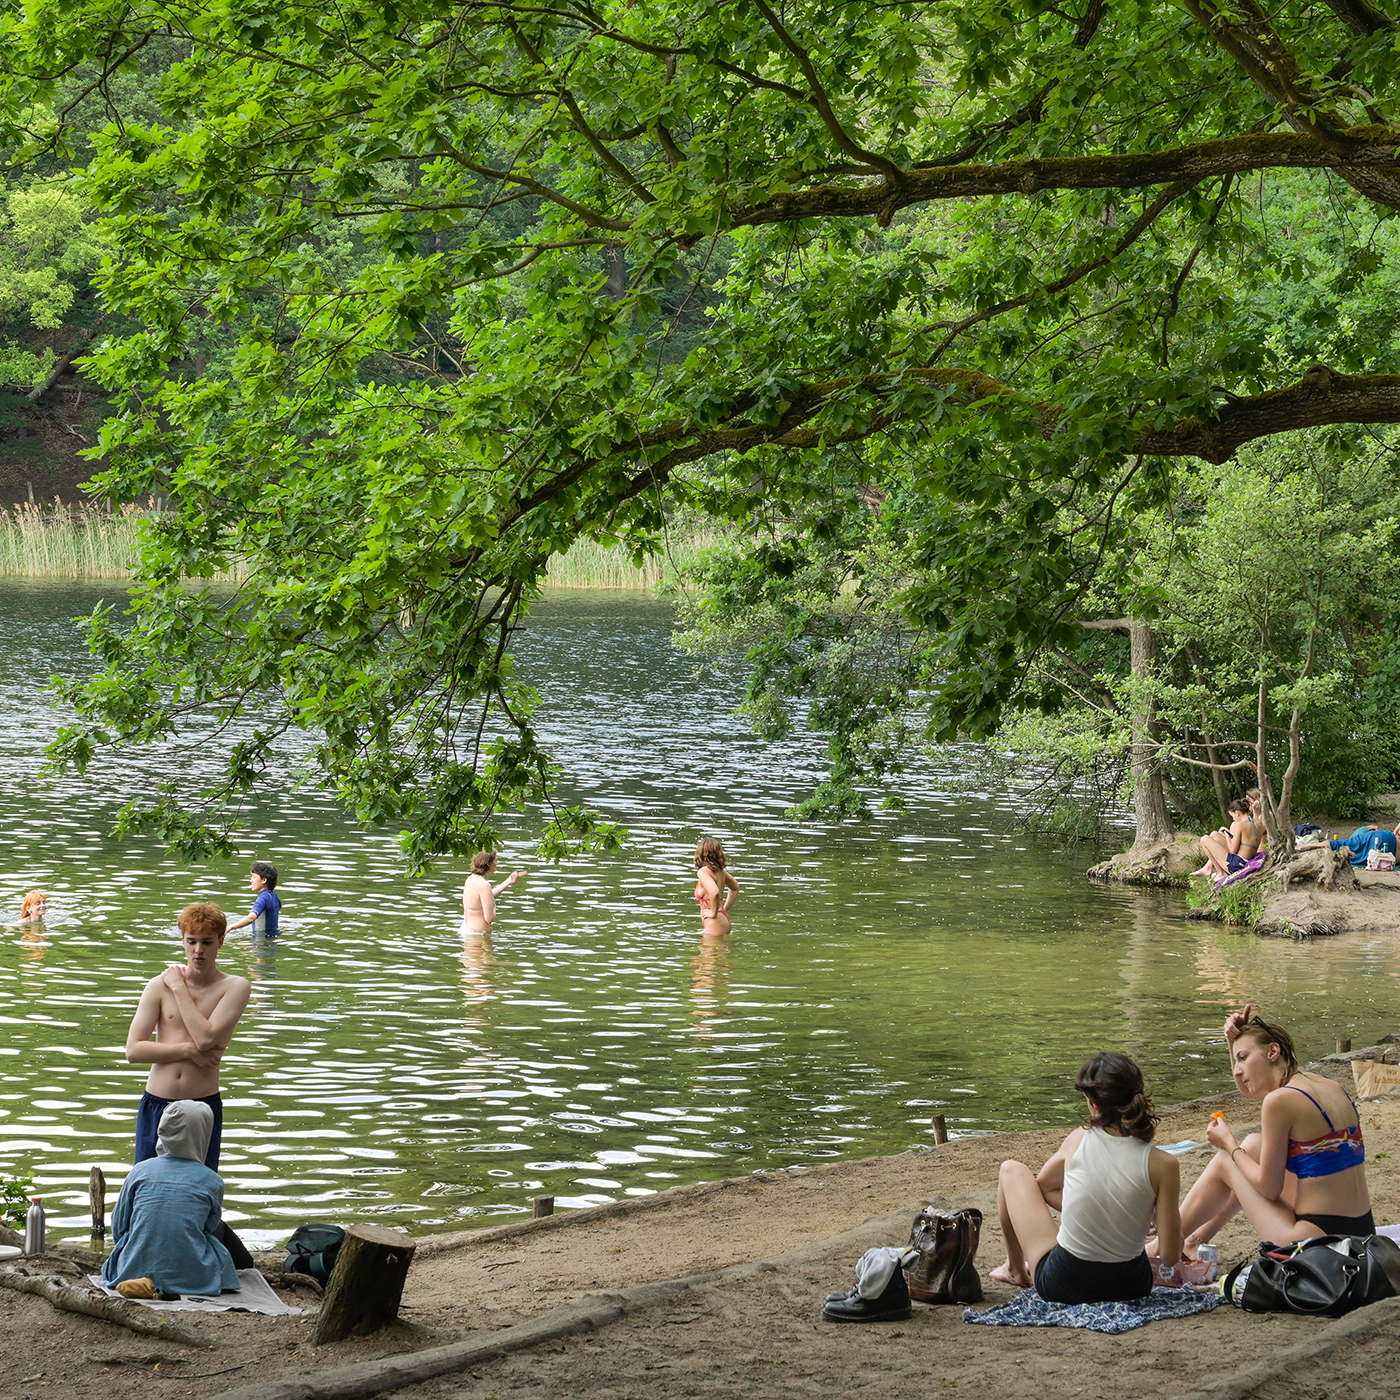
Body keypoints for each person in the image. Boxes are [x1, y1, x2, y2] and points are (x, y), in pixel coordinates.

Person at [1160, 1007, 1373, 1260]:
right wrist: (1232, 1043)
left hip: (1317, 1243)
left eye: (1243, 1057)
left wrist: (1228, 1144)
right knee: (1252, 1144)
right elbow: (1246, 1090)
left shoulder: (1279, 1101)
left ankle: (1161, 1246)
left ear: (1273, 1051)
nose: (1237, 1070)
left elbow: (1269, 1189)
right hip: (1362, 1233)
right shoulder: (1328, 1084)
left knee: (1228, 1161)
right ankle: (1193, 1242)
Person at [992, 1052, 1181, 1304]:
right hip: (1133, 1286)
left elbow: (1044, 1188)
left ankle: (1015, 1269)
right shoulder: (1165, 1164)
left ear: (1095, 1105)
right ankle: (1014, 1268)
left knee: (1010, 1169)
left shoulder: (1079, 1139)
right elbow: (1169, 1255)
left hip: (1064, 1284)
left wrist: (1093, 1211)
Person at [124, 904, 252, 1170]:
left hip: (201, 1105)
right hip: (156, 1101)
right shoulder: (158, 985)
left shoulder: (235, 986)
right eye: (191, 942)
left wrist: (179, 986)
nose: (198, 951)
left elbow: (205, 1039)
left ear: (221, 941)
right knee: (145, 1184)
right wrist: (188, 1051)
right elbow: (134, 1051)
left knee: (198, 1189)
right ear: (182, 941)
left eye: (207, 942)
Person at [101, 1099, 247, 1298]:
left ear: (163, 1130)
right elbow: (208, 1227)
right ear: (203, 1133)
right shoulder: (213, 1181)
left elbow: (119, 1225)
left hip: (131, 1270)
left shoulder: (139, 1171)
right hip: (195, 1276)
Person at [1193, 799, 1262, 881]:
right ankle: (1209, 868)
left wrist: (1227, 836)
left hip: (1237, 865)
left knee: (1204, 839)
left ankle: (1220, 872)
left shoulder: (1240, 825)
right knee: (1214, 834)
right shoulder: (1260, 822)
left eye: (1232, 816)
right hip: (1247, 859)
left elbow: (1232, 850)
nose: (1233, 819)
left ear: (1237, 813)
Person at [461, 851, 526, 934]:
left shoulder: (470, 879)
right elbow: (489, 918)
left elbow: (486, 897)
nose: (497, 863)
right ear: (488, 863)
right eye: (495, 860)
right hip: (479, 936)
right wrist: (494, 907)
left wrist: (509, 881)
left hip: (467, 930)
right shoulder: (484, 885)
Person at [694, 838, 740, 935]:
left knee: (709, 949)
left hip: (714, 922)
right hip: (722, 918)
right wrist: (725, 909)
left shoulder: (703, 871)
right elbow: (735, 888)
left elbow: (714, 892)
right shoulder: (721, 872)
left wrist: (713, 913)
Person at [226, 861, 281, 935]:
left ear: (264, 880)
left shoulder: (263, 898)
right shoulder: (274, 896)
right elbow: (278, 908)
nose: (251, 880)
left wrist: (230, 927)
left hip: (261, 941)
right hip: (273, 937)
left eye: (254, 877)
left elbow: (251, 918)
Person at [1329, 825, 1398, 867]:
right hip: (1384, 839)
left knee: (1338, 845)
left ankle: (1318, 846)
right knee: (1340, 847)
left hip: (1382, 838)